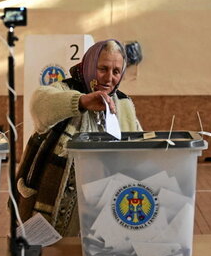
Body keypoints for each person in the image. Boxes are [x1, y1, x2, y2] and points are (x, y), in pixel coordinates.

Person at [16, 39, 142, 237]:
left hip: (105, 208)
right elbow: (39, 104)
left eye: (116, 71)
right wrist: (82, 101)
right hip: (53, 207)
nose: (109, 78)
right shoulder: (64, 90)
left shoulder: (124, 104)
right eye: (103, 68)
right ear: (90, 65)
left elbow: (140, 147)